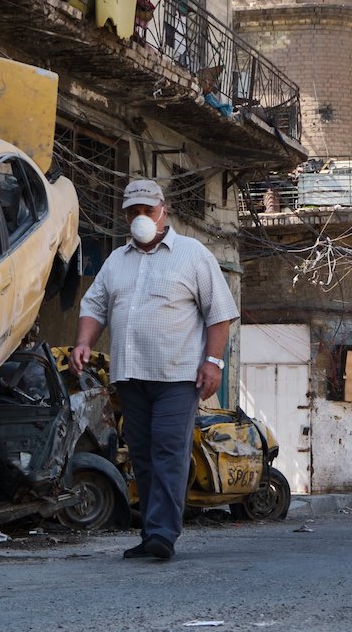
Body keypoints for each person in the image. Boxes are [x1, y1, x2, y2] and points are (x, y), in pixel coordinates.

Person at [70, 178, 238, 562]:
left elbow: (220, 315)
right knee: (143, 454)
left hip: (177, 376)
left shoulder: (192, 254)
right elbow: (93, 307)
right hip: (131, 376)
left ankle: (163, 533)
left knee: (168, 449)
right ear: (126, 215)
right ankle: (151, 531)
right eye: (133, 211)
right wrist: (83, 343)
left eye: (147, 210)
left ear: (164, 211)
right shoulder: (117, 261)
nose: (140, 217)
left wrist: (213, 363)